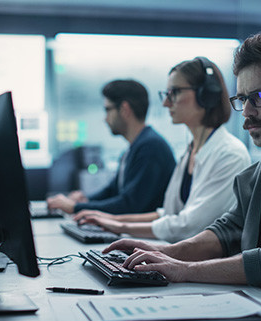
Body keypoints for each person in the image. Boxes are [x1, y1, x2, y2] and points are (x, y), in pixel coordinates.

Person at [102, 30, 261, 321]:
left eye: (259, 97)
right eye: (243, 99)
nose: (246, 113)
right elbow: (226, 231)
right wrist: (164, 253)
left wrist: (183, 269)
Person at [73, 57, 251, 243]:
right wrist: (110, 219)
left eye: (174, 92)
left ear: (206, 94)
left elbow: (188, 226)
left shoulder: (230, 154)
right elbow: (167, 214)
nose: (166, 102)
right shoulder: (190, 151)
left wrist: (120, 227)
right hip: (179, 256)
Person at [47, 79, 176, 214]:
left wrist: (75, 208)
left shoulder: (150, 147)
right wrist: (85, 200)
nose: (105, 118)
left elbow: (129, 206)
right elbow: (113, 192)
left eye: (108, 109)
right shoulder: (135, 147)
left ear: (124, 109)